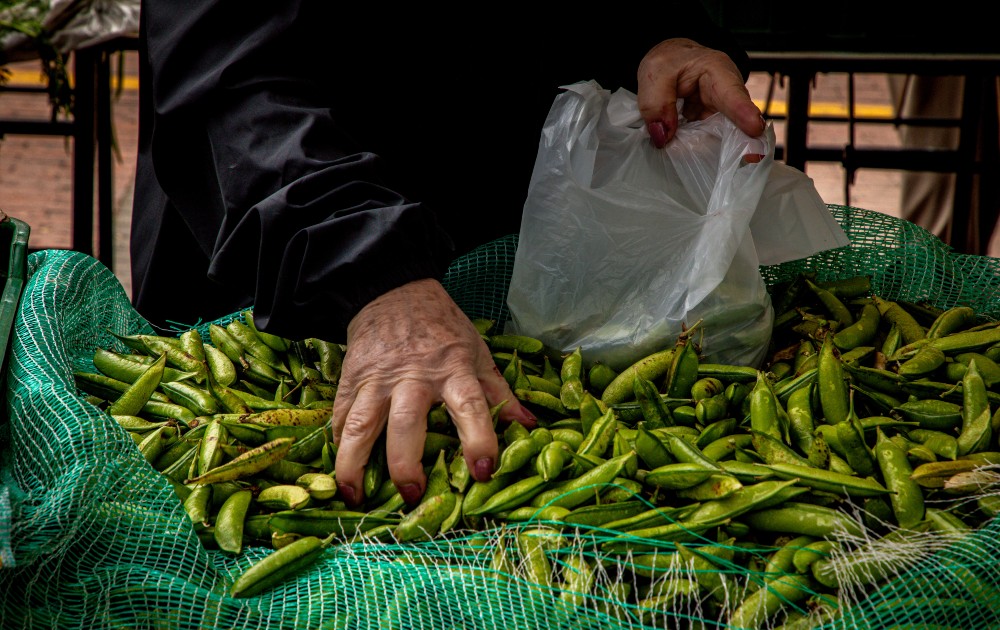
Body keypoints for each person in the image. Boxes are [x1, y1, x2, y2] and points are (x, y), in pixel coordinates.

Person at [130, 3, 765, 508]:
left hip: (502, 266)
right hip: (282, 252)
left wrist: (659, 37)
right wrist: (371, 271)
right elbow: (231, 78)